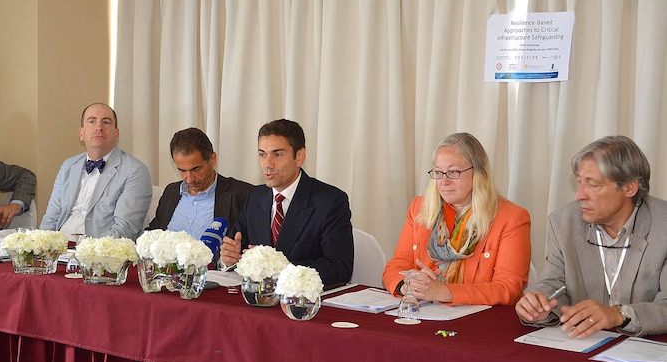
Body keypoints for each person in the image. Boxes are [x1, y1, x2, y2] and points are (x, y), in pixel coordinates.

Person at [516, 136, 667, 338]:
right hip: (584, 345)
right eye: (580, 183)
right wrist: (539, 302)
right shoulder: (564, 222)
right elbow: (554, 283)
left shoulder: (662, 225)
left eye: (593, 184)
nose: (579, 195)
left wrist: (618, 314)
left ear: (629, 188)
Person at [382, 132, 531, 305]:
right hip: (427, 313)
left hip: (480, 323)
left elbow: (508, 289)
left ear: (478, 173)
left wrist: (444, 292)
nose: (444, 181)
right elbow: (396, 266)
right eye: (438, 172)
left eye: (453, 172)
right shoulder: (419, 208)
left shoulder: (512, 218)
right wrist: (408, 284)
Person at [219, 119, 354, 286]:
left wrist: (280, 267)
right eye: (262, 154)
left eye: (277, 154)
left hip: (303, 302)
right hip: (259, 298)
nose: (267, 164)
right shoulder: (255, 196)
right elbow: (236, 247)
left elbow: (339, 268)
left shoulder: (330, 201)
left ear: (299, 157)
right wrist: (228, 259)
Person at [39, 102, 152, 241]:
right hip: (59, 249)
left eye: (106, 122)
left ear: (116, 134)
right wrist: (42, 247)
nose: (99, 127)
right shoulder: (68, 165)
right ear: (81, 133)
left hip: (99, 253)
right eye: (92, 121)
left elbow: (125, 229)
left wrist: (88, 253)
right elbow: (51, 217)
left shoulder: (135, 171)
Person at [148, 127, 253, 237]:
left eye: (196, 169)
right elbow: (152, 234)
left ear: (212, 160)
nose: (189, 179)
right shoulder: (171, 192)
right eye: (182, 170)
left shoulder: (242, 195)